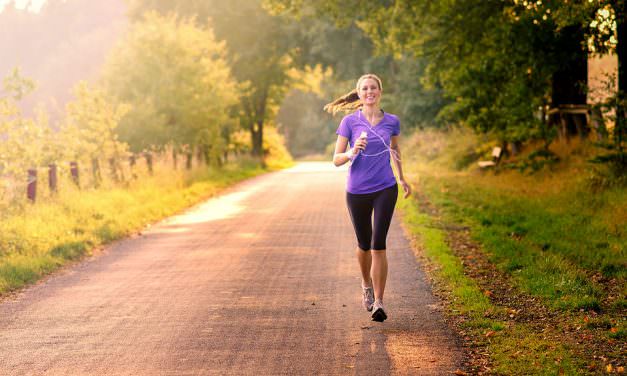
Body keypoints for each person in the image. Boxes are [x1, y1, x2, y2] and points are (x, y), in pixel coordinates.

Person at [325, 73, 411, 322]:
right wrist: (352, 151)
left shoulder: (392, 121)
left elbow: (395, 150)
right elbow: (336, 160)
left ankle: (379, 302)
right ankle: (366, 285)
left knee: (378, 244)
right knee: (363, 245)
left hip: (385, 187)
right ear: (359, 93)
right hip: (357, 191)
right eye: (365, 88)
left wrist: (402, 178)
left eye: (373, 88)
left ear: (380, 92)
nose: (369, 92)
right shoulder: (350, 122)